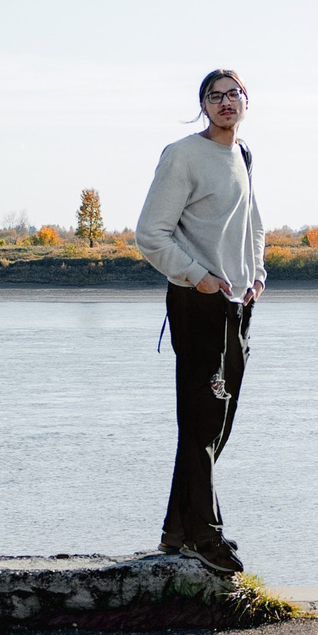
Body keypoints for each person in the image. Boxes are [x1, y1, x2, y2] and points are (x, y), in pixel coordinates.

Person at [133, 67, 266, 576]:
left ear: (246, 101)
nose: (226, 102)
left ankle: (177, 530)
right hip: (198, 302)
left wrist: (256, 277)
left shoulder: (243, 155)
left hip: (237, 303)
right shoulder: (183, 156)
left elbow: (253, 222)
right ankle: (204, 535)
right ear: (203, 106)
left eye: (234, 94)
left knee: (217, 423)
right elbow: (151, 234)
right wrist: (199, 277)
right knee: (202, 420)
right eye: (216, 96)